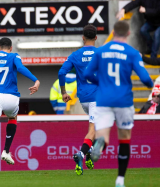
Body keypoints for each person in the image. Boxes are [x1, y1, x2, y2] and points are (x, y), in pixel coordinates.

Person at [84, 21, 153, 187]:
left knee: (103, 136)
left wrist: (100, 81)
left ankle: (100, 146)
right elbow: (145, 78)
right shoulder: (133, 53)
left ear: (113, 32)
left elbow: (87, 73)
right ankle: (120, 179)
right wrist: (151, 85)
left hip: (103, 100)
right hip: (124, 101)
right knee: (124, 139)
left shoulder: (100, 51)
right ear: (129, 34)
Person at [0, 37, 40, 165]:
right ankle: (6, 151)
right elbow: (21, 68)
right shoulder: (14, 56)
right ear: (11, 48)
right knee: (12, 118)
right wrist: (36, 80)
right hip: (11, 97)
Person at [58, 24, 98, 175]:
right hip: (97, 97)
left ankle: (88, 152)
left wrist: (64, 92)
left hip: (84, 99)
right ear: (96, 37)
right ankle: (80, 154)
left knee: (98, 130)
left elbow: (61, 72)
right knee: (94, 131)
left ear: (83, 38)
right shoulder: (101, 53)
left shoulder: (75, 55)